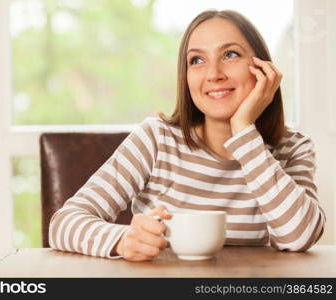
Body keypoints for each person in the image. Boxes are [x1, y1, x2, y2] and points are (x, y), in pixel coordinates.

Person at [48, 9, 326, 261]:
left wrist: (243, 129)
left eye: (230, 54)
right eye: (197, 60)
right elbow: (64, 223)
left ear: (263, 69)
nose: (213, 74)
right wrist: (122, 240)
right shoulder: (156, 139)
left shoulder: (292, 148)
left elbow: (298, 236)